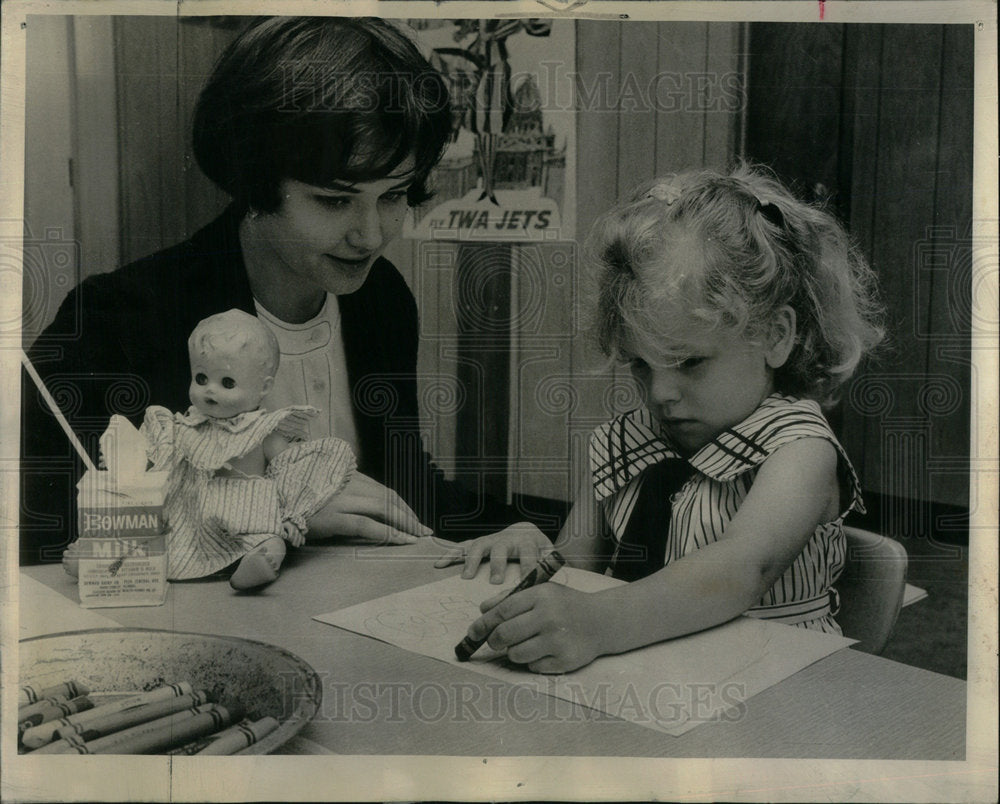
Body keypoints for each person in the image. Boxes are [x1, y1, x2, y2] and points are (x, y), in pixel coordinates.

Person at [20, 16, 514, 565]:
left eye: (394, 195)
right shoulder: (116, 316)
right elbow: (46, 531)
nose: (370, 235)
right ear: (253, 180)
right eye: (334, 200)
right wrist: (281, 509)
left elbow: (401, 486)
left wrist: (518, 532)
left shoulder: (382, 299)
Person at [438, 165, 885, 673]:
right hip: (647, 684)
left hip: (772, 688)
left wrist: (599, 622)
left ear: (776, 337)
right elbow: (574, 568)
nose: (661, 393)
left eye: (688, 362)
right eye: (640, 364)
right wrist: (535, 553)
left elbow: (741, 569)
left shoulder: (799, 448)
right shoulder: (626, 443)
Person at [141, 310, 355, 590]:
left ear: (263, 388)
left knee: (271, 537)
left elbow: (291, 467)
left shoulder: (263, 431)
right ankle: (104, 564)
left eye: (227, 383)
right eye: (201, 378)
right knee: (155, 535)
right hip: (194, 516)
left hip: (248, 515)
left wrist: (293, 514)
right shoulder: (185, 426)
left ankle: (261, 563)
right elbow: (159, 458)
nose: (210, 391)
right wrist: (129, 457)